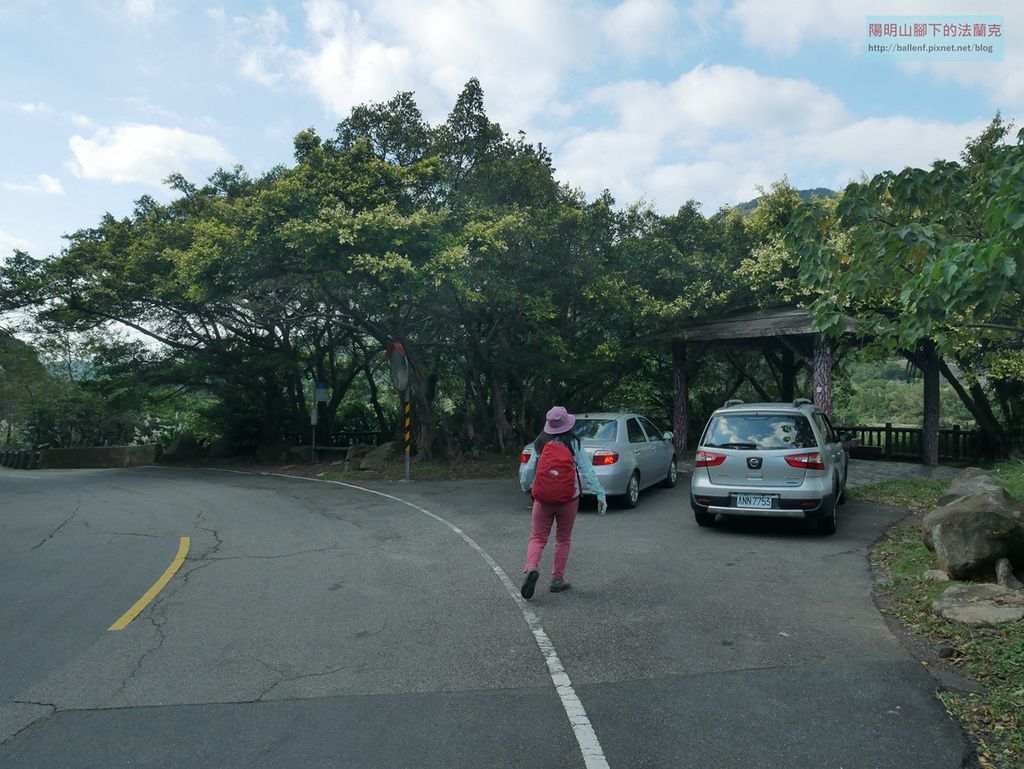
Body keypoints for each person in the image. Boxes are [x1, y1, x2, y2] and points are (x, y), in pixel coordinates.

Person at [518, 405, 608, 599]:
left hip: (543, 499)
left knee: (537, 537)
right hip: (568, 499)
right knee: (563, 539)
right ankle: (557, 580)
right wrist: (600, 494)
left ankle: (532, 567)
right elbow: (587, 469)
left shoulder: (540, 442)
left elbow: (528, 470)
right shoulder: (573, 443)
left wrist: (526, 486)